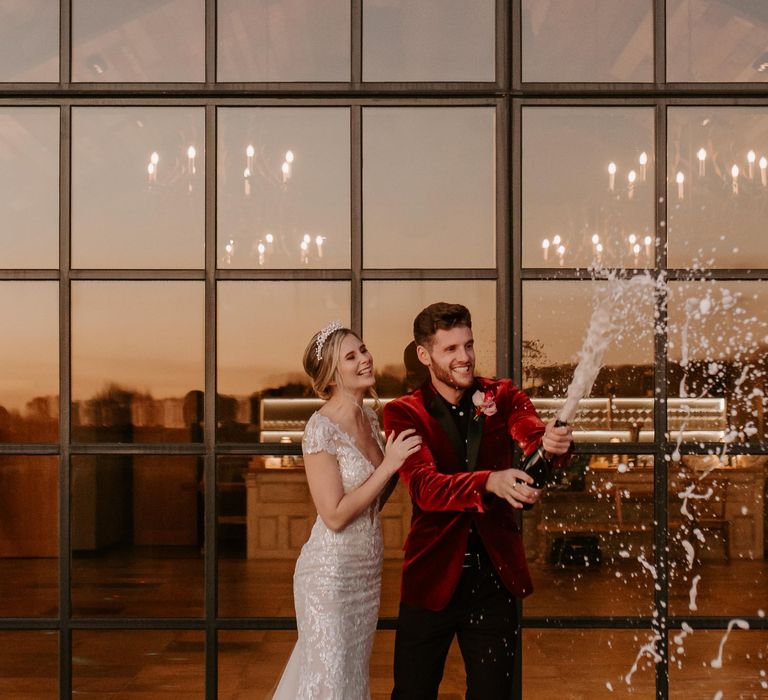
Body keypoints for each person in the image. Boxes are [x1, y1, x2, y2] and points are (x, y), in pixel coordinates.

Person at [383, 303, 573, 699]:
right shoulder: (403, 413)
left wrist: (551, 446)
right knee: (412, 693)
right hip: (431, 578)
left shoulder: (502, 395)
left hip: (493, 578)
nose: (464, 357)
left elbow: (533, 437)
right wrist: (490, 481)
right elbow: (425, 488)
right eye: (450, 349)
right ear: (425, 355)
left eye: (468, 345)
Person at [271, 321, 422, 699]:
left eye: (364, 350)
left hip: (366, 571)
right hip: (330, 575)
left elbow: (371, 501)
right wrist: (389, 465)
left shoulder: (371, 419)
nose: (365, 360)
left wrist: (402, 465)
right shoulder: (319, 428)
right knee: (331, 681)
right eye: (351, 356)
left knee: (351, 677)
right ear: (331, 375)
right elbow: (335, 515)